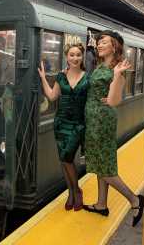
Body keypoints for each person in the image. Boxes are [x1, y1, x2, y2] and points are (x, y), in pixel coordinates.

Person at [82, 30, 144, 227]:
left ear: (114, 46)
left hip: (102, 121)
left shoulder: (117, 67)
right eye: (99, 42)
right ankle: (101, 204)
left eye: (104, 42)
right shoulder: (102, 65)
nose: (99, 45)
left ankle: (135, 200)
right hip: (94, 119)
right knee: (102, 163)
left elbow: (114, 101)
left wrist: (117, 77)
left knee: (106, 168)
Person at [38, 43, 88, 211]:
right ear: (67, 57)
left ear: (82, 57)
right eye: (72, 55)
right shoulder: (60, 76)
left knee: (67, 158)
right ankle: (71, 193)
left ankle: (77, 191)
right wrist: (44, 78)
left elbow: (92, 100)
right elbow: (52, 97)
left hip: (78, 125)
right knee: (64, 161)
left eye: (78, 55)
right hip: (60, 124)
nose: (75, 58)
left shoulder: (88, 77)